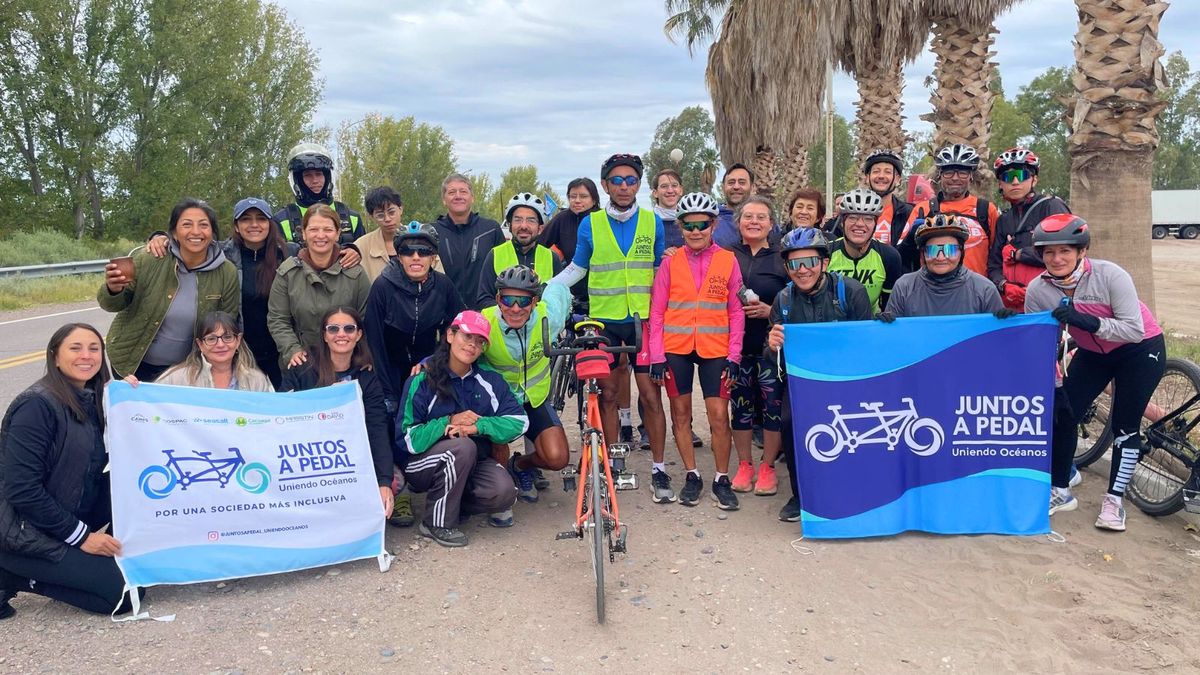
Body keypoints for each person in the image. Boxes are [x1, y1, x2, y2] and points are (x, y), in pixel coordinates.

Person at [1026, 215, 1165, 532]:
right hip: (1093, 353)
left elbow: (1133, 329)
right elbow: (1039, 339)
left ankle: (1114, 502)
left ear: (1081, 250)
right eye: (1049, 253)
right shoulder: (1038, 289)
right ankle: (1060, 489)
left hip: (1139, 349)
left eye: (1065, 251)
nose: (1057, 258)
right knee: (1064, 413)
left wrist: (1085, 321)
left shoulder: (1110, 276)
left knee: (1125, 426)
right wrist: (1052, 379)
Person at [550, 153, 670, 501]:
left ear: (639, 184)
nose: (623, 186)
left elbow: (661, 269)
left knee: (650, 396)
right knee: (609, 395)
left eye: (630, 180)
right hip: (603, 323)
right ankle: (610, 464)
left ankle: (660, 471)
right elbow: (577, 268)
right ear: (605, 185)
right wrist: (547, 289)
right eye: (616, 180)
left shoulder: (653, 222)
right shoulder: (591, 223)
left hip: (643, 321)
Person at [0, 324, 138, 617]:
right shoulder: (37, 405)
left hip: (63, 511)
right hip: (18, 529)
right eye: (75, 348)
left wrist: (131, 402)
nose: (86, 356)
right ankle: (10, 574)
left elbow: (127, 454)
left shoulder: (94, 397)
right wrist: (83, 538)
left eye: (94, 348)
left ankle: (92, 561)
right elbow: (21, 488)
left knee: (134, 484)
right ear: (55, 356)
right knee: (124, 595)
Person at [765, 228, 872, 521]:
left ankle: (855, 491)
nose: (802, 271)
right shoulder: (783, 300)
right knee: (788, 423)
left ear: (824, 262)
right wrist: (772, 345)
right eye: (794, 264)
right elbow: (774, 359)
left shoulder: (850, 292)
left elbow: (867, 344)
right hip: (804, 384)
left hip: (847, 381)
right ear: (787, 268)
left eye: (810, 261)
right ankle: (800, 494)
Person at [395, 311, 526, 547]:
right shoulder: (422, 379)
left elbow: (519, 421)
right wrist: (448, 422)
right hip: (421, 463)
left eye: (479, 341)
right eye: (466, 336)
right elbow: (407, 439)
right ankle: (436, 523)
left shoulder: (489, 380)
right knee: (461, 448)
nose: (472, 345)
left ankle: (450, 503)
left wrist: (478, 426)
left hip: (473, 460)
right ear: (450, 335)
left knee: (504, 492)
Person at [649, 192, 745, 510]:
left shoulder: (728, 261)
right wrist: (657, 355)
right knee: (681, 415)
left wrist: (734, 356)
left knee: (719, 416)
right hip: (675, 349)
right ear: (681, 226)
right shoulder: (670, 263)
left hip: (715, 349)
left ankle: (721, 478)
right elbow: (657, 312)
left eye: (702, 224)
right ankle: (692, 475)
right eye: (688, 225)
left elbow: (736, 312)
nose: (695, 231)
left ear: (713, 225)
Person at [145, 197, 300, 388]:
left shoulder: (289, 253)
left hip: (282, 351)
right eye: (245, 219)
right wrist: (159, 237)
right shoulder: (220, 254)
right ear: (236, 226)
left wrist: (350, 248)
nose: (254, 225)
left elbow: (322, 251)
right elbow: (190, 241)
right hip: (236, 350)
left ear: (270, 224)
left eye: (261, 219)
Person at [100, 198, 239, 381]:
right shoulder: (151, 259)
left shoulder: (226, 271)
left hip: (187, 371)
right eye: (187, 225)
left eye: (204, 225)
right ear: (173, 232)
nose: (196, 232)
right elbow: (112, 304)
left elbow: (227, 322)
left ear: (213, 232)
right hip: (132, 363)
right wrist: (113, 289)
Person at [280, 307, 394, 517]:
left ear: (358, 334)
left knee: (395, 483)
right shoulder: (301, 368)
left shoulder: (367, 377)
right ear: (324, 335)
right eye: (333, 329)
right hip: (306, 462)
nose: (341, 334)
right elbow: (281, 420)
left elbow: (377, 429)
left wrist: (384, 481)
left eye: (349, 328)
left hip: (349, 462)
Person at [479, 266, 571, 506]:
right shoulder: (485, 321)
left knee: (558, 458)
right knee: (498, 448)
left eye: (524, 301)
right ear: (498, 299)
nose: (516, 308)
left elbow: (560, 287)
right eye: (508, 300)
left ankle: (520, 465)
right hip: (499, 403)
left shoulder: (549, 316)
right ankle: (502, 495)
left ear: (535, 301)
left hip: (535, 398)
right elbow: (458, 349)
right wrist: (428, 363)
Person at [727, 195, 789, 496]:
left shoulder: (781, 258)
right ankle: (744, 464)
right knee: (740, 408)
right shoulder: (726, 256)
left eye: (761, 217)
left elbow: (794, 297)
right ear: (738, 223)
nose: (754, 222)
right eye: (748, 216)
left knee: (772, 408)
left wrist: (770, 311)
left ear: (771, 224)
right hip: (735, 347)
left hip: (770, 347)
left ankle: (767, 467)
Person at [268, 204, 372, 371]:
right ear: (303, 233)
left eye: (328, 230)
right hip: (302, 363)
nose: (320, 236)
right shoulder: (288, 273)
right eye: (314, 229)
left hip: (347, 363)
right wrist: (292, 350)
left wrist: (362, 355)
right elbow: (277, 319)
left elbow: (367, 320)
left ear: (338, 234)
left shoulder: (356, 274)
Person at [987, 148, 1071, 311]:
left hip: (1049, 298)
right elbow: (994, 263)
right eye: (1008, 177)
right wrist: (1003, 285)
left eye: (1023, 175)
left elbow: (1066, 255)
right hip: (1013, 304)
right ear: (1000, 184)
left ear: (1034, 180)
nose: (1016, 182)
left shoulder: (1051, 206)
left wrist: (1018, 254)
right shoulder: (1004, 219)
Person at [882, 214, 1007, 319]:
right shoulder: (904, 287)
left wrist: (1006, 322)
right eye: (932, 250)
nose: (941, 257)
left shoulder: (984, 289)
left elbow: (996, 340)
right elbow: (892, 339)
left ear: (961, 252)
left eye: (949, 250)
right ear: (923, 254)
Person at [903, 144, 999, 274]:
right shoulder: (923, 210)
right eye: (948, 173)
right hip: (932, 289)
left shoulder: (986, 210)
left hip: (976, 290)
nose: (955, 178)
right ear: (940, 176)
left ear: (971, 176)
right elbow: (903, 253)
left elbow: (997, 256)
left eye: (962, 173)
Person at [476, 193, 563, 309]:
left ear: (540, 228)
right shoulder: (495, 254)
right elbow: (484, 299)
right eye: (518, 220)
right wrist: (510, 313)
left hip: (541, 326)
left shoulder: (552, 258)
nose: (523, 226)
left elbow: (560, 300)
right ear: (510, 225)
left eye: (531, 220)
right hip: (504, 326)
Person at [433, 173, 506, 309]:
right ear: (444, 199)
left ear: (472, 198)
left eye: (463, 191)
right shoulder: (432, 232)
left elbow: (504, 273)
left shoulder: (491, 229)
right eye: (452, 192)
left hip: (484, 313)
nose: (458, 196)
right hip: (445, 315)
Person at [152, 311, 274, 391]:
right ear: (200, 344)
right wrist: (133, 388)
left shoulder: (257, 381)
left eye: (227, 337)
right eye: (211, 339)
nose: (220, 344)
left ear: (238, 340)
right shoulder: (176, 379)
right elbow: (148, 406)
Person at [827, 188, 903, 312]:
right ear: (842, 222)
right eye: (853, 217)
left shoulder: (889, 256)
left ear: (875, 224)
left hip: (869, 325)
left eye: (868, 219)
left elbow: (889, 306)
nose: (860, 224)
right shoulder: (826, 252)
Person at [274, 143, 365, 246]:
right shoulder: (281, 220)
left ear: (328, 176)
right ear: (297, 180)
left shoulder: (352, 217)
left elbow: (364, 255)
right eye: (307, 175)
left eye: (319, 174)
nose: (315, 181)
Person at [539, 177, 600, 305]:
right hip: (570, 291)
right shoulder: (561, 219)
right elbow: (540, 245)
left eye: (583, 196)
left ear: (594, 200)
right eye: (573, 196)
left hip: (602, 293)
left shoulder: (603, 220)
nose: (577, 200)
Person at [357, 186, 439, 281]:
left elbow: (439, 281)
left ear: (401, 209)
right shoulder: (361, 247)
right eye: (380, 215)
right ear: (372, 217)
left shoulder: (425, 238)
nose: (387, 219)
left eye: (391, 212)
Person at [860, 149, 914, 246]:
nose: (881, 176)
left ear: (897, 179)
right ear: (867, 178)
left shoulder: (910, 213)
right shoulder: (852, 213)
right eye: (876, 171)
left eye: (887, 172)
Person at [712, 163, 754, 248]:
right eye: (731, 183)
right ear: (723, 187)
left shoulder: (765, 221)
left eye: (742, 182)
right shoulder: (711, 219)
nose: (736, 187)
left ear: (752, 187)